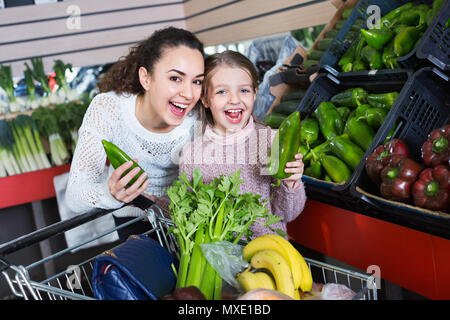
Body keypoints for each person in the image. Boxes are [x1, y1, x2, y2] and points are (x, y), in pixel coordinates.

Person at [66, 27, 205, 241]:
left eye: (197, 81)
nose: (188, 94)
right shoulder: (109, 108)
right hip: (132, 223)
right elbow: (74, 196)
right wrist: (110, 193)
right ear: (146, 78)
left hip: (186, 220)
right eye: (176, 78)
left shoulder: (200, 116)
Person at [179, 50, 306, 239]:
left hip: (269, 254)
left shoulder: (271, 141)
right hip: (219, 259)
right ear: (205, 99)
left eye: (244, 90)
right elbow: (188, 214)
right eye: (222, 91)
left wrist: (290, 183)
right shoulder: (192, 154)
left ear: (255, 93)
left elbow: (287, 214)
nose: (235, 99)